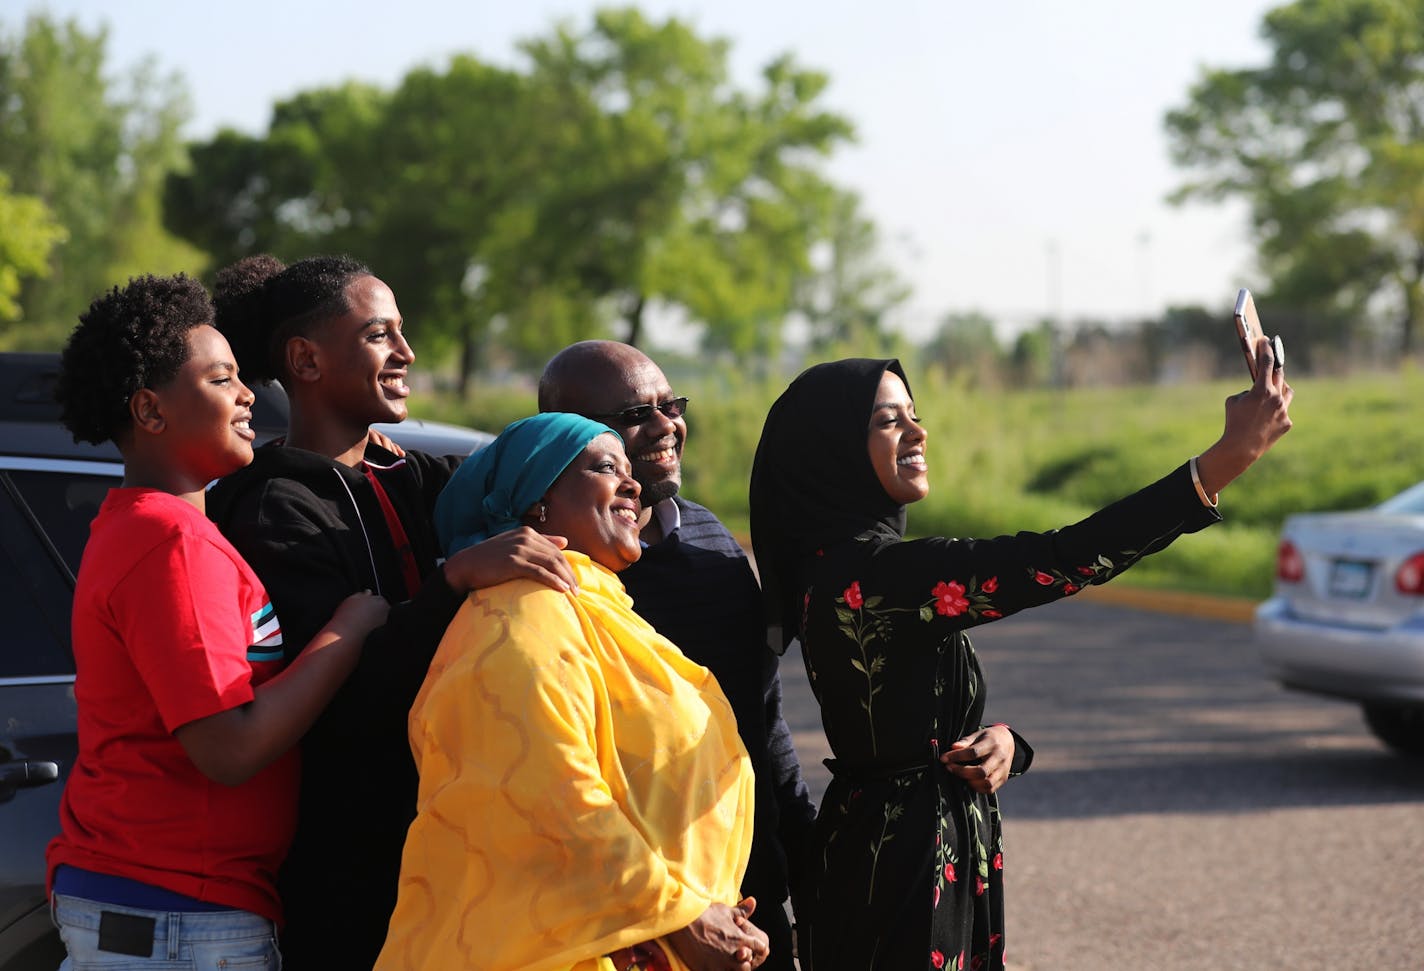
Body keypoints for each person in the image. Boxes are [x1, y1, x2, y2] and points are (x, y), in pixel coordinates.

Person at [748, 351, 1293, 971]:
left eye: (914, 414)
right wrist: (1227, 459)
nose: (917, 431)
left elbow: (905, 722)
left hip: (887, 848)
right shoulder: (882, 576)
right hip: (900, 872)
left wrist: (1005, 742)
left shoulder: (835, 571)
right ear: (832, 449)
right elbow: (1067, 558)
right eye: (886, 421)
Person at [206, 254, 576, 969]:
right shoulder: (270, 507)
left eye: (402, 332)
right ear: (306, 359)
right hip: (351, 871)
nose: (406, 352)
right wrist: (454, 580)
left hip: (458, 851)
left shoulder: (430, 478)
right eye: (380, 334)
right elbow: (342, 695)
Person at [45, 274, 388, 967]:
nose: (247, 394)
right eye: (221, 378)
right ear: (150, 409)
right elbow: (227, 748)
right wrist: (347, 633)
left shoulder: (153, 528)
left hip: (167, 904)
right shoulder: (169, 540)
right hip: (173, 910)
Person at [376, 412, 767, 971]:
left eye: (631, 471)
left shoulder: (604, 613)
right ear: (538, 501)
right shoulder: (516, 615)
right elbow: (549, 795)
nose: (633, 484)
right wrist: (684, 916)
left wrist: (715, 907)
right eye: (607, 467)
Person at [538, 340, 817, 968]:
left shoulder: (709, 536)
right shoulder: (549, 577)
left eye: (672, 405)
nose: (668, 427)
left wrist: (800, 852)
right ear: (566, 437)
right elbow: (561, 778)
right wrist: (673, 911)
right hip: (627, 920)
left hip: (748, 894)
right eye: (637, 415)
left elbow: (759, 715)